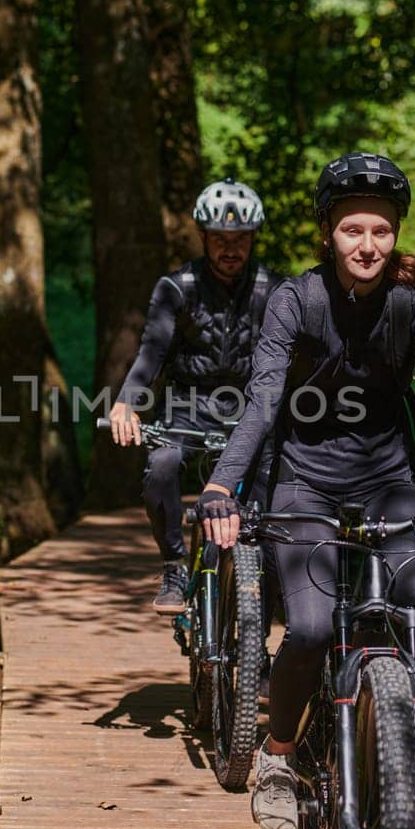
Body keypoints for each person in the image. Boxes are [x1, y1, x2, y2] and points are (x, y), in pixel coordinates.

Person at [197, 151, 415, 829]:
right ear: (328, 232)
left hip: (389, 480)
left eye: (382, 232)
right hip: (303, 479)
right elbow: (264, 398)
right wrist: (221, 483)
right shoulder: (294, 300)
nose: (368, 245)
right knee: (305, 626)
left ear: (396, 236)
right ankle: (276, 757)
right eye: (353, 229)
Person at [109, 178, 284, 614]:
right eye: (221, 239)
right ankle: (173, 563)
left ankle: (258, 600)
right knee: (162, 466)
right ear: (203, 237)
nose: (230, 249)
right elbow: (152, 350)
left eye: (240, 240)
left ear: (252, 239)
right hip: (188, 405)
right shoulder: (176, 287)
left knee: (275, 491)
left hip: (251, 410)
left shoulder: (273, 289)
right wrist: (127, 401)